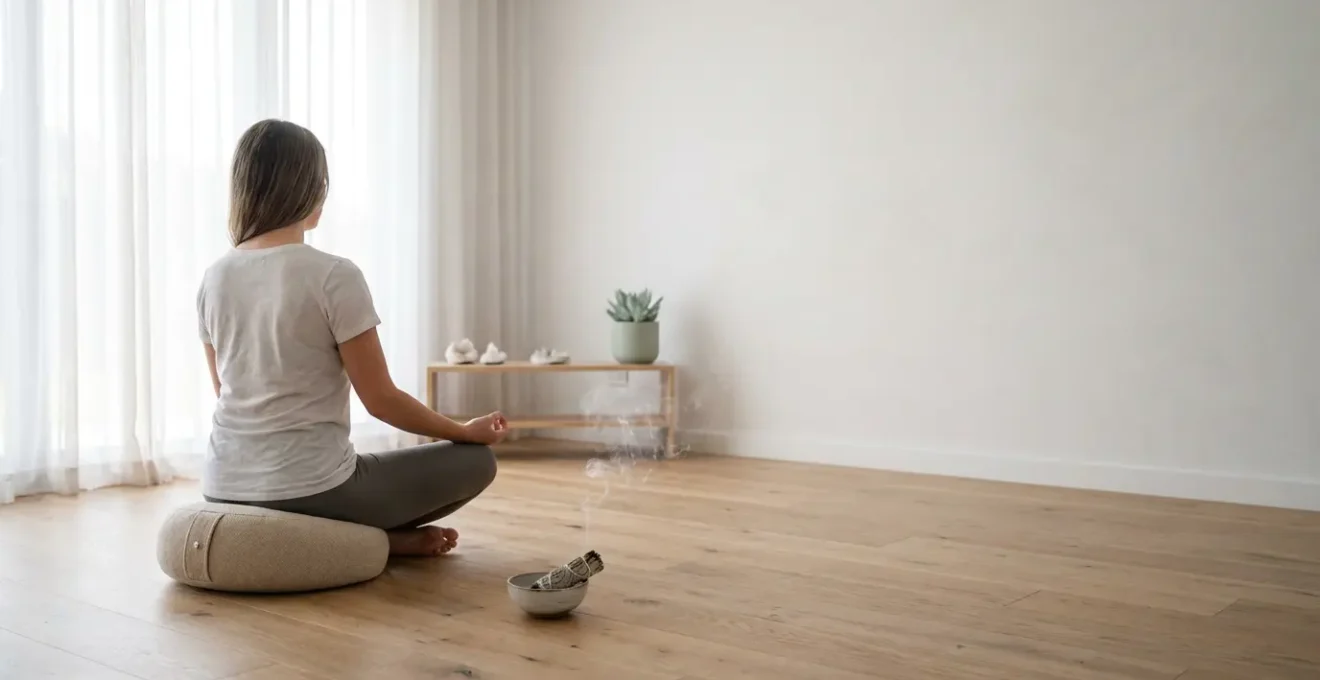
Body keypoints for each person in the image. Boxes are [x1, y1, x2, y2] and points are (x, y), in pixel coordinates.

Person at [196, 119, 507, 557]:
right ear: (311, 189)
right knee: (476, 461)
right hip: (314, 490)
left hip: (222, 486)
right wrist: (463, 431)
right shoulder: (334, 275)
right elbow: (381, 401)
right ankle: (371, 541)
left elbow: (225, 391)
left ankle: (352, 542)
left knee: (361, 469)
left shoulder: (213, 278)